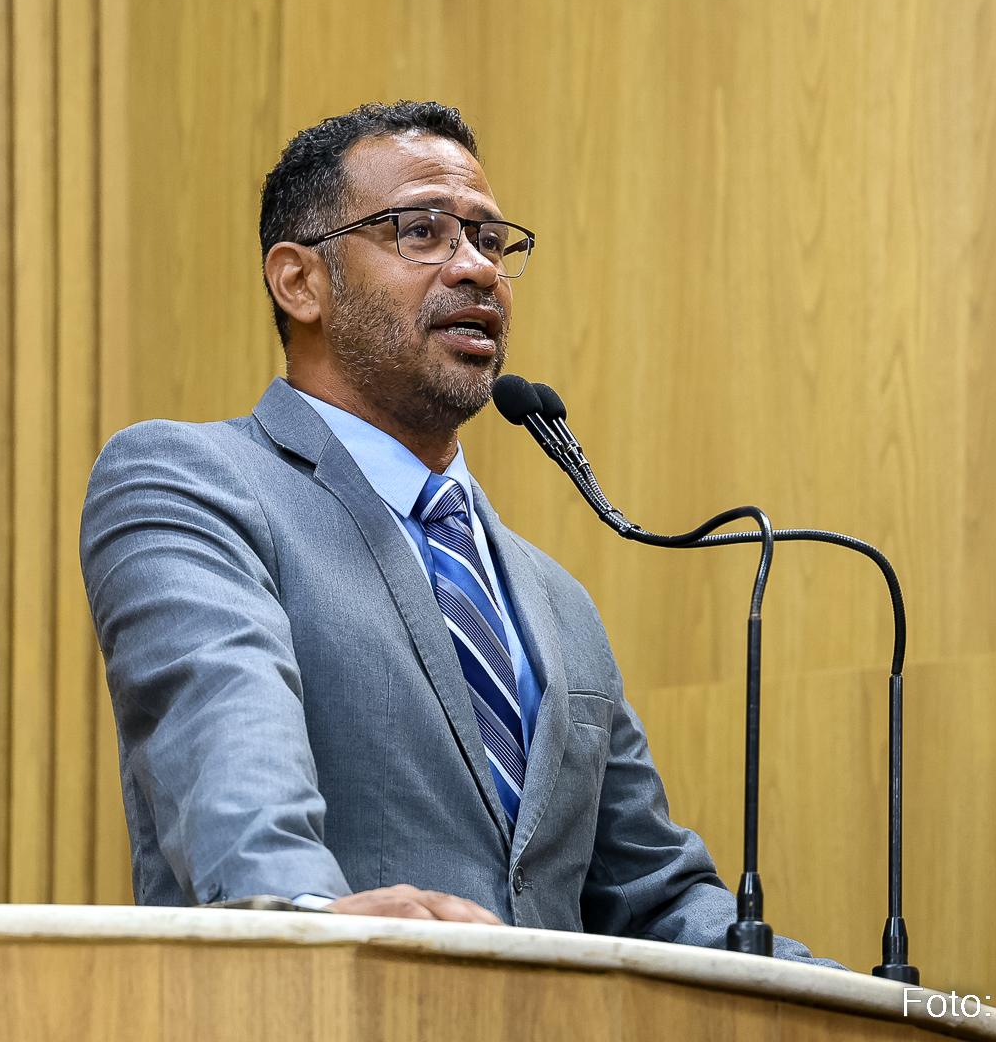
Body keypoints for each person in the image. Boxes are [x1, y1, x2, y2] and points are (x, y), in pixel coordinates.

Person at [80, 101, 837, 964]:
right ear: (300, 282)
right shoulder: (193, 481)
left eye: (490, 240)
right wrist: (311, 916)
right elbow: (228, 756)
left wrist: (874, 1004)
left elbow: (654, 896)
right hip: (324, 1010)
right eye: (422, 232)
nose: (478, 268)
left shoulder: (556, 600)